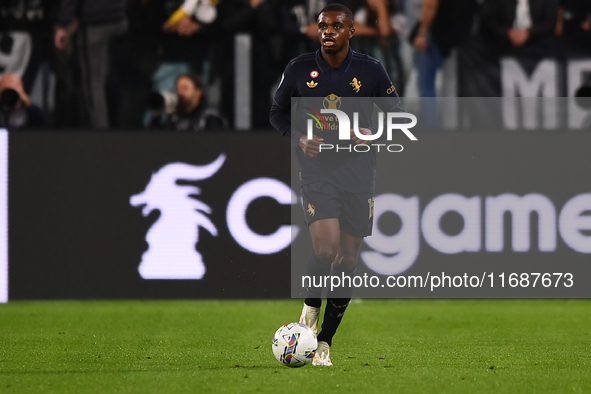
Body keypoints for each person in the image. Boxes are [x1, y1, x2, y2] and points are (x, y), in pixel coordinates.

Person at [269, 3, 400, 366]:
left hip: (359, 172)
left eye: (336, 26)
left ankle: (323, 343)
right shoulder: (298, 69)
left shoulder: (370, 70)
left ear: (351, 32)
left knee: (347, 260)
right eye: (323, 25)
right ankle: (310, 307)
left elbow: (397, 116)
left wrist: (371, 134)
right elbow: (277, 112)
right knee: (325, 250)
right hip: (317, 171)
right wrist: (299, 138)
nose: (327, 31)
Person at [151, 73, 227, 131]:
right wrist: (157, 115)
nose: (180, 92)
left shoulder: (209, 117)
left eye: (185, 88)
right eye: (178, 88)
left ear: (198, 92)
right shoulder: (174, 117)